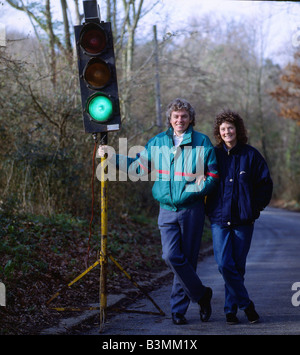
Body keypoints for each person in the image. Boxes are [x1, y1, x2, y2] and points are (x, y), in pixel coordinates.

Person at [98, 98, 219, 325]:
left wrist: (192, 190)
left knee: (188, 261)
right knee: (171, 257)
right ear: (170, 119)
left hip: (191, 209)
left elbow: (212, 176)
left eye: (184, 116)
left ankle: (178, 310)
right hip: (166, 210)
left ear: (190, 118)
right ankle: (202, 295)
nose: (180, 120)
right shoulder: (157, 143)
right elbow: (137, 168)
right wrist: (111, 156)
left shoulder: (202, 142)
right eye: (176, 116)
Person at [206, 110, 273, 324]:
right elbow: (202, 181)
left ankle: (230, 310)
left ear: (238, 130)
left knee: (238, 266)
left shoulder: (250, 155)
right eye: (223, 129)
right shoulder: (213, 155)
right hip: (219, 220)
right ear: (219, 132)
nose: (227, 132)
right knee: (224, 264)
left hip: (243, 221)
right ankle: (247, 305)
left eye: (230, 128)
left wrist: (254, 209)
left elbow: (265, 185)